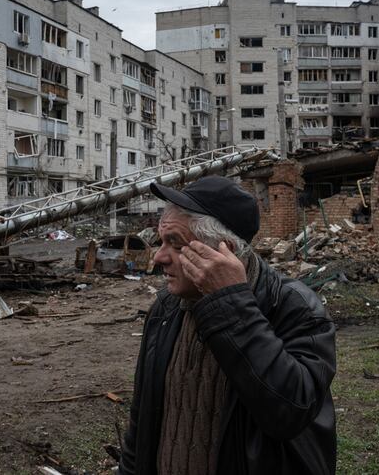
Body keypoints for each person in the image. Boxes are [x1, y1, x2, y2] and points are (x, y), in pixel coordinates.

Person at [119, 176, 336, 475]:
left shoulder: (292, 307)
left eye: (175, 243)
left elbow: (291, 412)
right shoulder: (166, 308)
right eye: (160, 241)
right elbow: (142, 416)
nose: (158, 257)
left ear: (225, 250)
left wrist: (229, 303)